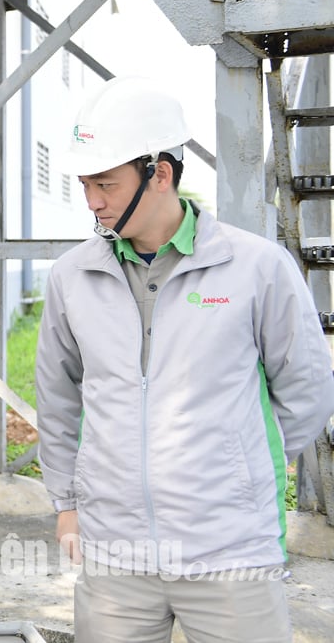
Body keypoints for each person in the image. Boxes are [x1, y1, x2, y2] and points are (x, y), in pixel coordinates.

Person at [35, 76, 334, 642]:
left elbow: (309, 388)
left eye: (105, 183)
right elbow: (56, 395)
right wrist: (68, 503)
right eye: (85, 184)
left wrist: (233, 468)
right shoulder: (71, 277)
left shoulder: (255, 268)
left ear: (160, 173)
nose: (93, 201)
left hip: (229, 551)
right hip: (114, 551)